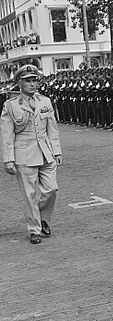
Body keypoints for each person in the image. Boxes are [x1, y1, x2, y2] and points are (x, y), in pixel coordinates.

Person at [0, 64, 62, 244]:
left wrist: (57, 151)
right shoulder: (10, 105)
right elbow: (7, 134)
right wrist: (8, 159)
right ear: (19, 82)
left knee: (51, 189)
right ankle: (34, 229)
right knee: (29, 194)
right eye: (28, 81)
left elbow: (52, 129)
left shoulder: (45, 101)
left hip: (46, 152)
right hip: (24, 154)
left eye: (35, 80)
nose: (33, 84)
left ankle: (42, 218)